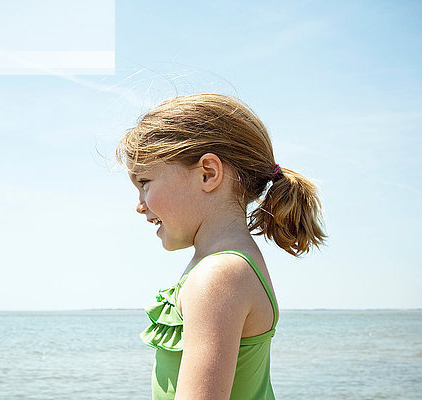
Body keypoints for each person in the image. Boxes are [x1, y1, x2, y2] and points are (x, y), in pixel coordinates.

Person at [116, 94, 326, 400]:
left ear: (208, 174)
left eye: (145, 183)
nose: (139, 205)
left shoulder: (218, 275)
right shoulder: (230, 264)